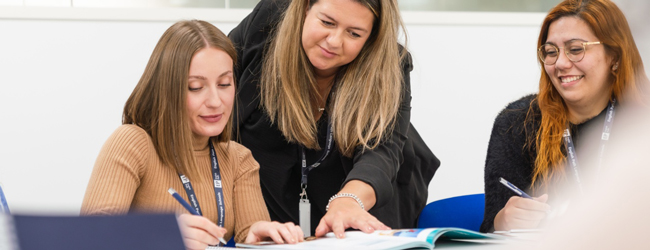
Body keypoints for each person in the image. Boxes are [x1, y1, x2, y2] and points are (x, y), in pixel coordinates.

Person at [81, 20, 303, 249]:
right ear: (167, 90)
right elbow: (90, 236)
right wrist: (161, 234)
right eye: (196, 87)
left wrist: (259, 237)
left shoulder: (239, 159)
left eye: (225, 84)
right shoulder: (132, 143)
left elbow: (249, 234)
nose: (216, 102)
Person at [229, 0, 440, 238]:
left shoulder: (390, 63)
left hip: (363, 193)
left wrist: (349, 200)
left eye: (354, 33)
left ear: (371, 37)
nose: (334, 41)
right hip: (273, 185)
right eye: (327, 22)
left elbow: (381, 151)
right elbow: (211, 90)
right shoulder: (266, 22)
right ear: (305, 8)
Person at [481, 0, 648, 233]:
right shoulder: (516, 123)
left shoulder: (642, 122)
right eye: (551, 52)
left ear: (615, 56)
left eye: (576, 49)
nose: (560, 63)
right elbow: (490, 227)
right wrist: (502, 222)